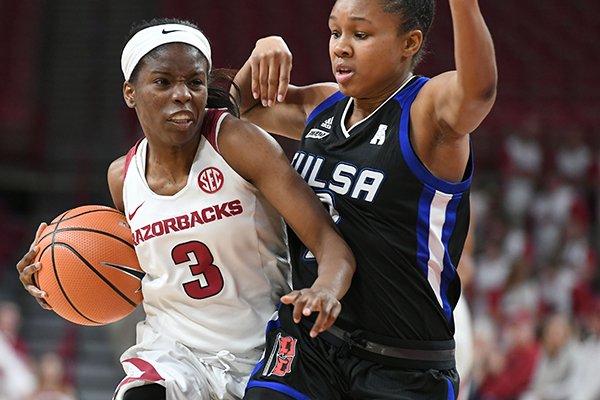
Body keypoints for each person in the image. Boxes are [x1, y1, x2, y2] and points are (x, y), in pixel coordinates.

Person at [15, 18, 356, 400]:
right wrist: (54, 278)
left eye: (194, 82)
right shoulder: (121, 177)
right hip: (174, 353)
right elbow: (134, 272)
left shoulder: (237, 142)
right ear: (130, 92)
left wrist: (325, 290)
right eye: (162, 82)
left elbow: (330, 244)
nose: (182, 95)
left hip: (265, 348)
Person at [233, 0, 497, 398]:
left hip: (403, 364)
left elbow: (478, 91)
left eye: (360, 34)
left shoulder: (427, 113)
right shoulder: (320, 106)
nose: (340, 46)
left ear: (409, 42)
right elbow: (235, 112)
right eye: (334, 32)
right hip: (311, 342)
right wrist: (261, 53)